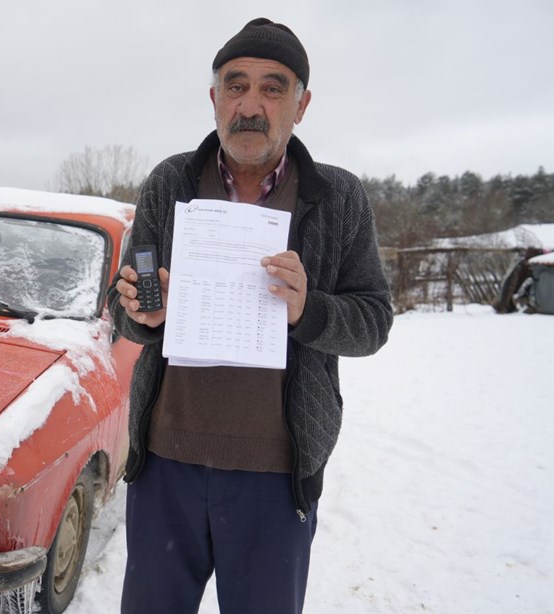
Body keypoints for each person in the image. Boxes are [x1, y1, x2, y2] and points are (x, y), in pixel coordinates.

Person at [109, 17, 394, 614]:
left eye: (273, 87)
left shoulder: (336, 198)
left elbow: (373, 320)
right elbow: (127, 302)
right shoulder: (172, 182)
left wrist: (307, 309)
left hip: (275, 475)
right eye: (236, 86)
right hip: (167, 465)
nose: (251, 105)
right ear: (215, 99)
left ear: (302, 103)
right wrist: (140, 310)